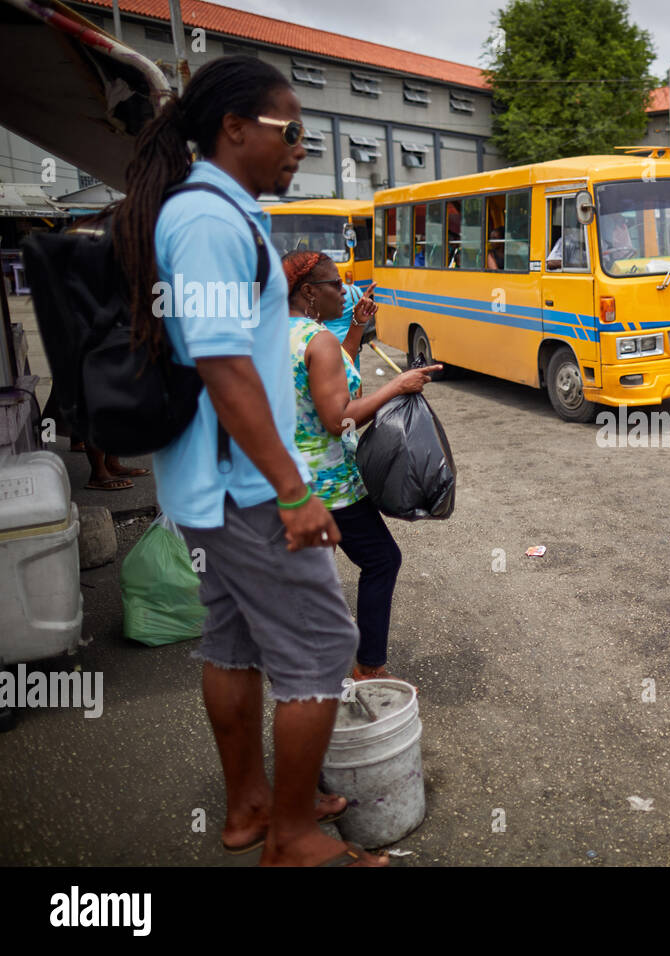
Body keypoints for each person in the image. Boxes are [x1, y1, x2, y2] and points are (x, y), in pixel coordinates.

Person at [113, 55, 386, 866]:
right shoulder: (205, 221)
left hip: (218, 483)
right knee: (320, 645)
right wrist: (294, 490)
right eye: (291, 130)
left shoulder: (220, 213)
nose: (302, 146)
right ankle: (294, 837)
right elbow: (223, 365)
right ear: (235, 129)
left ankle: (251, 808)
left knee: (232, 642)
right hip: (242, 486)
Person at [281, 250, 435, 683]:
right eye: (336, 284)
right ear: (309, 291)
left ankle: (310, 670)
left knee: (315, 576)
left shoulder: (277, 334)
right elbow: (338, 417)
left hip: (288, 479)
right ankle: (369, 666)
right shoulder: (318, 341)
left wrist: (356, 327)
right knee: (382, 559)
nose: (345, 291)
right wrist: (397, 386)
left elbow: (327, 379)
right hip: (329, 484)